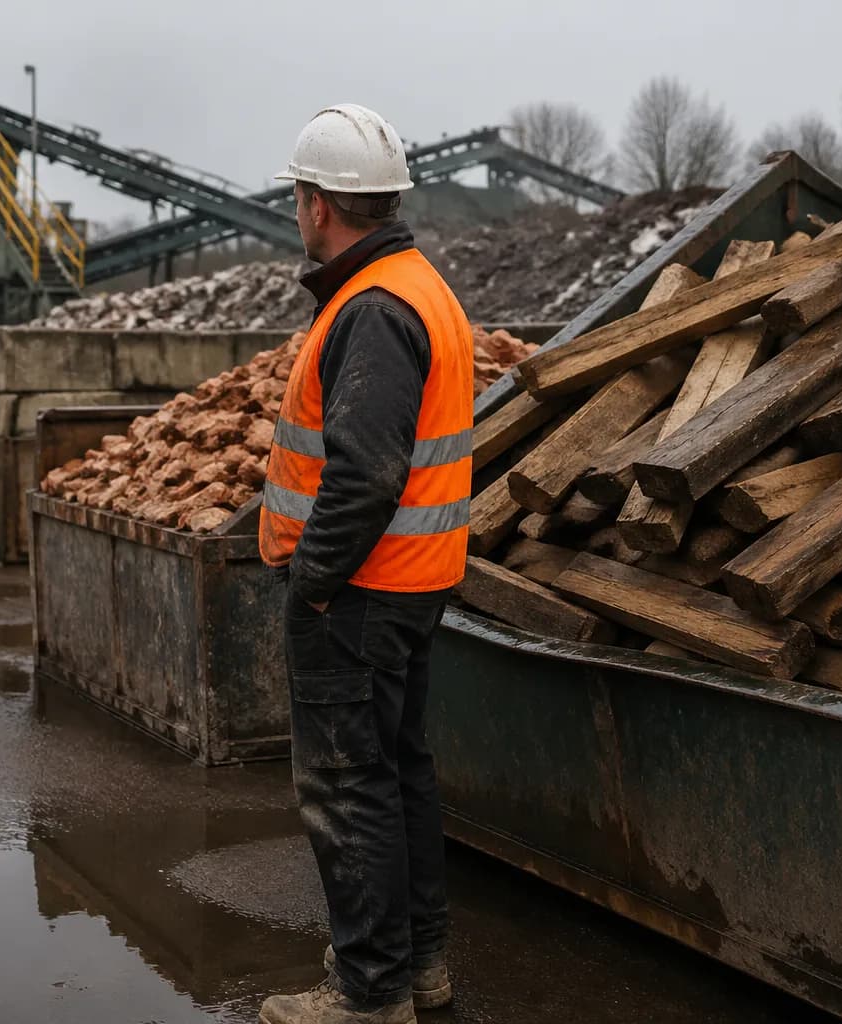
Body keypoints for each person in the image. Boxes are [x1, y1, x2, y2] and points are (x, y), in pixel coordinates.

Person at [257, 104, 474, 1024]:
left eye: (298, 200)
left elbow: (367, 473)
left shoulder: (375, 309)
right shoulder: (417, 284)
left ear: (316, 205)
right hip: (411, 581)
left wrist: (310, 585)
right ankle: (418, 970)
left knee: (348, 790)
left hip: (359, 590)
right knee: (395, 774)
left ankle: (369, 995)